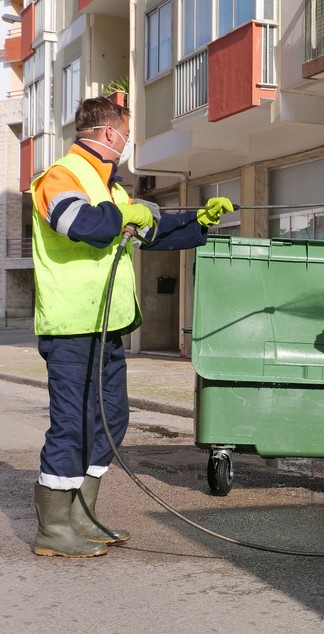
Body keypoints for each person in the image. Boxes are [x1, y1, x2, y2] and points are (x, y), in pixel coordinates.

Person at [30, 97, 234, 558]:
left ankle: (82, 513)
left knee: (111, 418)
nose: (127, 142)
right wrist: (127, 215)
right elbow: (80, 223)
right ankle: (53, 528)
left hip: (108, 326)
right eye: (125, 133)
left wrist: (198, 222)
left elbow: (151, 232)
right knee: (71, 426)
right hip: (70, 327)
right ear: (107, 134)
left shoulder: (112, 189)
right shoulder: (61, 176)